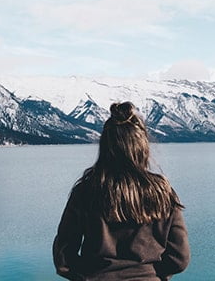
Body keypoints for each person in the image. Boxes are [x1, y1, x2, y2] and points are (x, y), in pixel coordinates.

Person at [53, 101, 190, 280]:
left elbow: (63, 257)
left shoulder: (86, 190)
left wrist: (89, 275)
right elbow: (180, 258)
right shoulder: (162, 192)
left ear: (105, 146)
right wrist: (152, 275)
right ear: (142, 148)